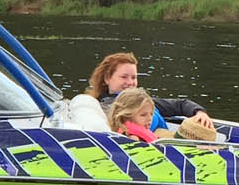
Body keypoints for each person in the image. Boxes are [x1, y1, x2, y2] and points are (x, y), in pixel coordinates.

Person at [87, 51, 217, 139]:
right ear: (107, 78)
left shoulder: (145, 102)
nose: (130, 82)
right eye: (124, 77)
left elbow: (181, 104)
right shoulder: (101, 108)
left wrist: (199, 112)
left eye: (134, 77)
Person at [106, 88, 174, 143]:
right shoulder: (133, 138)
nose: (149, 118)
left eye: (151, 114)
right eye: (143, 115)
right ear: (126, 116)